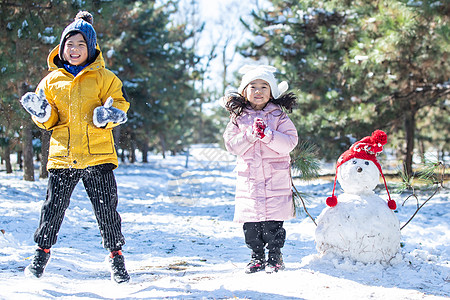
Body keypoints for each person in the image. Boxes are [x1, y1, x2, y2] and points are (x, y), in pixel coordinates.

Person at [20, 11, 130, 283]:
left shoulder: (105, 78)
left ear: (90, 48)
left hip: (98, 156)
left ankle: (116, 259)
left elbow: (120, 103)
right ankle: (40, 255)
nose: (75, 49)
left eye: (81, 44)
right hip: (63, 155)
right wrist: (43, 114)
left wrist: (108, 115)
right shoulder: (50, 81)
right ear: (62, 47)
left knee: (106, 210)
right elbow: (49, 119)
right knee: (52, 209)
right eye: (70, 44)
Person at [222, 65, 298, 273]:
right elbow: (231, 145)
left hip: (275, 179)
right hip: (250, 181)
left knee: (273, 224)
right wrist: (249, 135)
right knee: (252, 226)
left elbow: (290, 142)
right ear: (244, 92)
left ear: (272, 91)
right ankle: (256, 257)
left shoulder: (279, 117)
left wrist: (267, 135)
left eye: (264, 86)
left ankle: (275, 256)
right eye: (252, 86)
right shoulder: (238, 118)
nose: (258, 91)